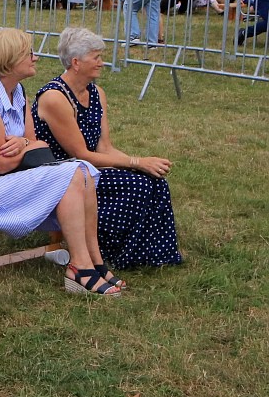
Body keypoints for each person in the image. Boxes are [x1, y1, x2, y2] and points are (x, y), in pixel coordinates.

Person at [0, 28, 121, 296]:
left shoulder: (17, 92)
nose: (35, 58)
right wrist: (26, 147)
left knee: (83, 169)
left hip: (0, 180)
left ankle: (94, 261)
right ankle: (80, 267)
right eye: (29, 53)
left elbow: (35, 143)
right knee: (72, 172)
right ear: (10, 60)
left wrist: (23, 145)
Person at [31, 28, 182, 269]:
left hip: (89, 167)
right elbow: (80, 154)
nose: (102, 63)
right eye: (96, 58)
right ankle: (112, 252)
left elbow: (105, 147)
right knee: (138, 184)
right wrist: (137, 163)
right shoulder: (54, 97)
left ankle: (152, 255)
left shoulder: (96, 93)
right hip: (64, 174)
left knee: (154, 180)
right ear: (76, 63)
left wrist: (143, 164)